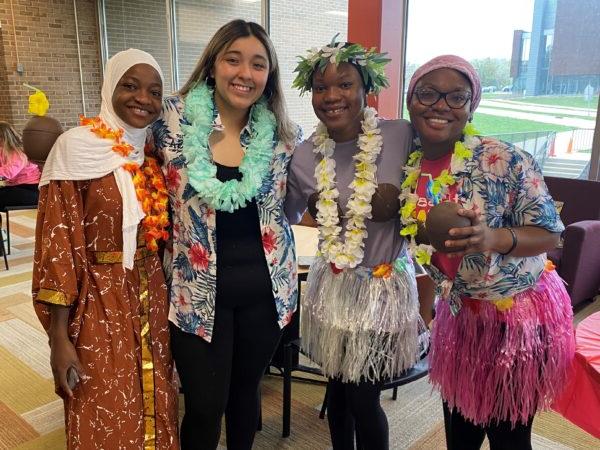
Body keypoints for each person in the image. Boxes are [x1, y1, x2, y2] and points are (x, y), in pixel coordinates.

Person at [403, 55, 575, 450]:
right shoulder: (404, 162)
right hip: (460, 316)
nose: (440, 105)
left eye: (456, 96)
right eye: (428, 93)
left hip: (516, 317)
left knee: (508, 438)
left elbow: (551, 234)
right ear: (411, 99)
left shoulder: (503, 159)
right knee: (459, 435)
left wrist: (491, 239)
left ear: (471, 105)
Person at [152, 20, 299, 450]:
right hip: (194, 295)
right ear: (212, 64)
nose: (244, 73)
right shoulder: (169, 120)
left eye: (258, 64)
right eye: (233, 59)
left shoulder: (283, 135)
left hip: (266, 292)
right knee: (203, 407)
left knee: (246, 399)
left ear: (268, 75)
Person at [32, 49, 179, 449]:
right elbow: (57, 248)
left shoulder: (150, 152)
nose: (142, 99)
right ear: (110, 87)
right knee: (102, 405)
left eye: (153, 91)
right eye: (130, 86)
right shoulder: (74, 148)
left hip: (151, 294)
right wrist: (58, 338)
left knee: (154, 396)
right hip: (95, 300)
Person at [285, 39, 426, 450]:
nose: (332, 97)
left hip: (383, 290)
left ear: (366, 88)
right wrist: (313, 208)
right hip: (331, 287)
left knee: (365, 399)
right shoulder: (305, 155)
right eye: (320, 88)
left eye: (344, 84)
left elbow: (435, 186)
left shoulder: (401, 135)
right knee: (339, 396)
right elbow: (288, 215)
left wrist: (403, 209)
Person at [0, 121, 40, 208]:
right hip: (17, 187)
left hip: (30, 189)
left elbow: (8, 172)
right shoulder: (3, 150)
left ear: (3, 138)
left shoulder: (18, 153)